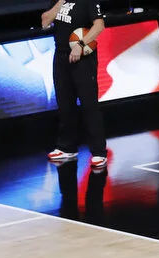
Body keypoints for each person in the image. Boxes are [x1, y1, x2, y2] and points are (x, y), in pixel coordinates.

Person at [40, 1, 109, 172]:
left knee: (89, 105)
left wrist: (81, 45)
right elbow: (45, 21)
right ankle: (67, 147)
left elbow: (99, 25)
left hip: (83, 58)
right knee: (65, 104)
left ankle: (99, 151)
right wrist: (60, 2)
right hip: (61, 56)